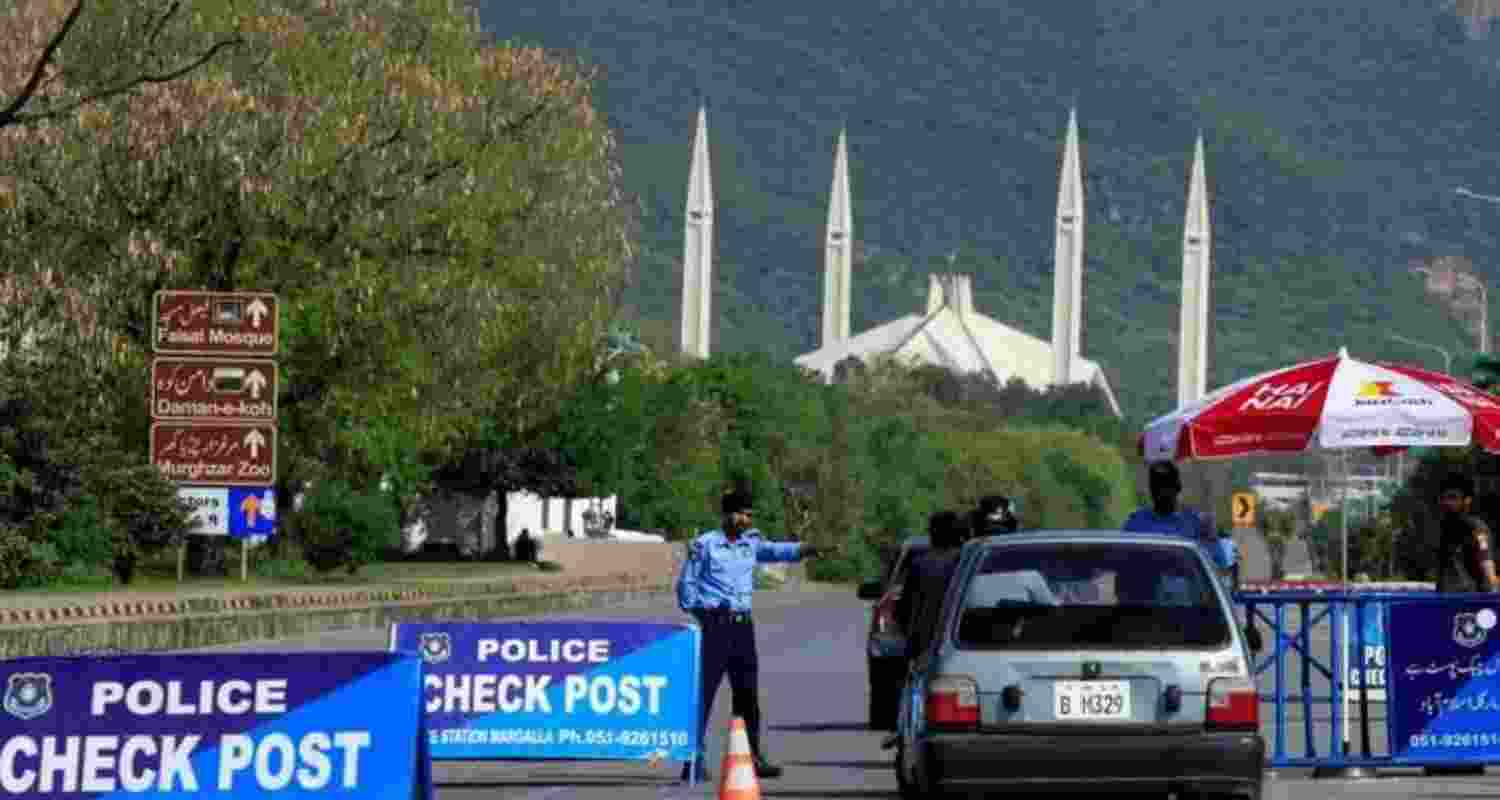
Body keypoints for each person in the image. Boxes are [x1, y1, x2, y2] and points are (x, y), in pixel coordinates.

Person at [674, 489, 823, 782]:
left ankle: (752, 756)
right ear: (726, 515)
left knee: (747, 695)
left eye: (749, 515)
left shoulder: (749, 544)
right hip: (715, 624)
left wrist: (806, 548)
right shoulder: (705, 545)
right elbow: (686, 586)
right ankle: (693, 759)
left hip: (743, 627)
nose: (745, 520)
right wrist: (701, 612)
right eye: (741, 514)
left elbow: (775, 550)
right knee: (703, 694)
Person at [896, 510, 967, 667]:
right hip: (964, 643)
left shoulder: (921, 564)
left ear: (933, 535)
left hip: (925, 644)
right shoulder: (968, 561)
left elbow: (904, 610)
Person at [1435, 472, 1499, 593]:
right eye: (1445, 498)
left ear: (1467, 500)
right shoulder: (1444, 527)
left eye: (1453, 498)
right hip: (1443, 597)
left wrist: (1493, 584)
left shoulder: (1478, 529)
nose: (1448, 502)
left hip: (1467, 598)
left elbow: (1485, 557)